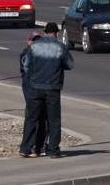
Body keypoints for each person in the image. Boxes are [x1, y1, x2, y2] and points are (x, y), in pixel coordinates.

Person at [19, 22, 73, 158]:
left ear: (44, 32)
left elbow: (26, 65)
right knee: (53, 120)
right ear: (57, 33)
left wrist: (33, 77)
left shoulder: (35, 46)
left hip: (35, 87)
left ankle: (26, 148)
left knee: (31, 118)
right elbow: (69, 64)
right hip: (53, 88)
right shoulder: (60, 47)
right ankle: (53, 150)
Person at [19, 33, 47, 157]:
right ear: (28, 41)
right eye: (33, 40)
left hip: (41, 90)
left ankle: (38, 146)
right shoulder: (27, 53)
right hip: (32, 91)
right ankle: (28, 147)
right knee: (33, 118)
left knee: (42, 118)